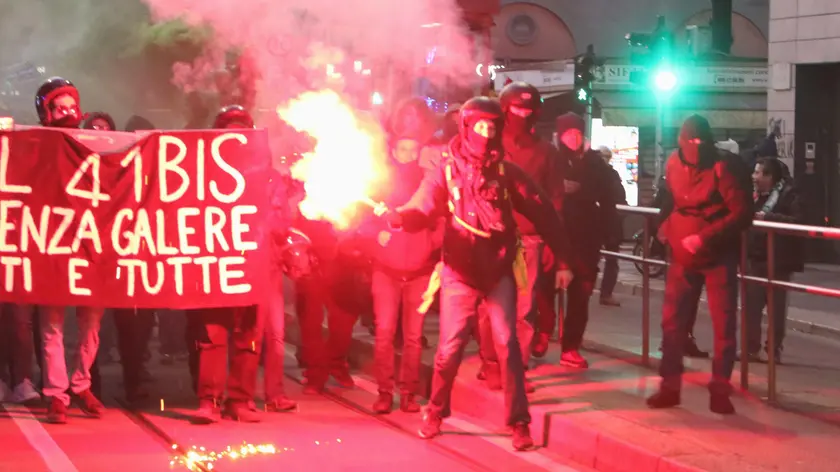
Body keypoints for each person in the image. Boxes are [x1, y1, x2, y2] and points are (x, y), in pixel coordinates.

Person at [387, 96, 574, 451]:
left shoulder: (507, 171)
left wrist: (564, 260)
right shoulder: (444, 168)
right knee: (448, 349)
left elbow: (544, 212)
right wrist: (402, 217)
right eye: (480, 126)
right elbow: (423, 204)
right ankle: (435, 412)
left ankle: (519, 422)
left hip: (498, 271)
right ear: (467, 127)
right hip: (458, 273)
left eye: (492, 127)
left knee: (508, 345)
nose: (486, 134)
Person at [647, 115, 752, 415]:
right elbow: (667, 200)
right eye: (691, 141)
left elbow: (742, 213)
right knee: (673, 323)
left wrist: (705, 236)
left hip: (718, 254)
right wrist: (662, 228)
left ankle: (719, 390)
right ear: (681, 141)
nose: (696, 147)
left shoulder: (725, 166)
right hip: (682, 252)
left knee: (723, 326)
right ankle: (669, 386)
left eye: (700, 141)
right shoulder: (673, 163)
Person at [476, 82, 562, 392]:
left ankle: (516, 368)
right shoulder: (489, 144)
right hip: (492, 237)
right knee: (490, 306)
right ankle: (490, 363)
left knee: (524, 310)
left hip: (529, 239)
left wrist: (554, 241)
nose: (522, 115)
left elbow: (555, 199)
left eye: (528, 110)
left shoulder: (546, 151)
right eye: (516, 109)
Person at [363, 98, 444, 414]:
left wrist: (429, 243)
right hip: (385, 270)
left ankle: (408, 393)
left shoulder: (429, 182)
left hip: (419, 271)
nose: (409, 156)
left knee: (413, 338)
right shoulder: (379, 181)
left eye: (414, 150)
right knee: (384, 334)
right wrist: (375, 235)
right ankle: (385, 391)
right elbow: (361, 221)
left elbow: (440, 221)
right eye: (403, 150)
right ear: (393, 150)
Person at [35, 77, 105, 424]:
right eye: (60, 107)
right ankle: (56, 394)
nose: (68, 111)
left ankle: (81, 383)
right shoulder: (33, 144)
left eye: (71, 105)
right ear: (47, 111)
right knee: (53, 326)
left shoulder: (96, 142)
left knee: (91, 323)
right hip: (52, 247)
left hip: (90, 247)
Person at [190, 105, 262, 423]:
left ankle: (241, 399)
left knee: (248, 334)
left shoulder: (264, 171)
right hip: (216, 265)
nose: (237, 137)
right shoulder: (202, 172)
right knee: (213, 334)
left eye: (242, 131)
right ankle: (209, 399)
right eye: (230, 131)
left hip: (254, 264)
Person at [552, 113, 620, 369]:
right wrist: (560, 188)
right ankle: (540, 333)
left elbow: (609, 193)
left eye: (578, 133)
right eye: (569, 133)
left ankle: (571, 347)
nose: (574, 138)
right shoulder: (552, 160)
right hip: (555, 236)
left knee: (581, 296)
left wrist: (609, 231)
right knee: (543, 292)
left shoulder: (595, 163)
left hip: (586, 240)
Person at [744, 158, 803, 364]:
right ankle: (750, 348)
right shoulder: (753, 196)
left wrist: (768, 219)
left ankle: (773, 350)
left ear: (769, 177)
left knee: (776, 310)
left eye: (758, 173)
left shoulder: (788, 195)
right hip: (754, 258)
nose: (754, 177)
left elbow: (798, 222)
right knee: (751, 307)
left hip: (778, 260)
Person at [597, 146, 626, 307]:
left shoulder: (611, 174)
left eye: (607, 157)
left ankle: (606, 293)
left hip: (610, 221)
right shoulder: (600, 174)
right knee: (607, 258)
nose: (605, 159)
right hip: (602, 221)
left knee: (611, 259)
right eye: (603, 156)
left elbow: (619, 196)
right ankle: (603, 293)